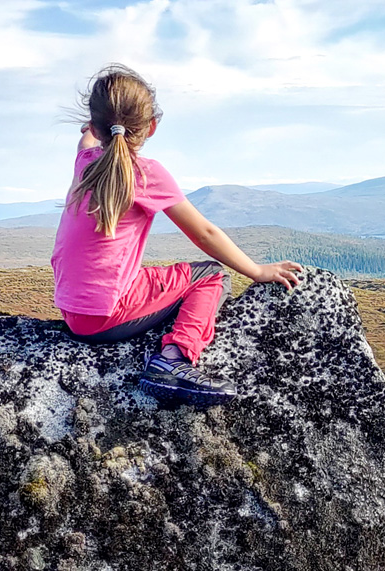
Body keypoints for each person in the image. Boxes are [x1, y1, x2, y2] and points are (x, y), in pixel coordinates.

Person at [51, 64, 303, 405]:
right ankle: (174, 360)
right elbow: (204, 234)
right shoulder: (147, 174)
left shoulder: (85, 161)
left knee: (144, 275)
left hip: (73, 314)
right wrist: (257, 272)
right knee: (211, 276)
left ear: (95, 124)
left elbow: (87, 138)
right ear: (151, 127)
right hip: (106, 316)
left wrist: (94, 128)